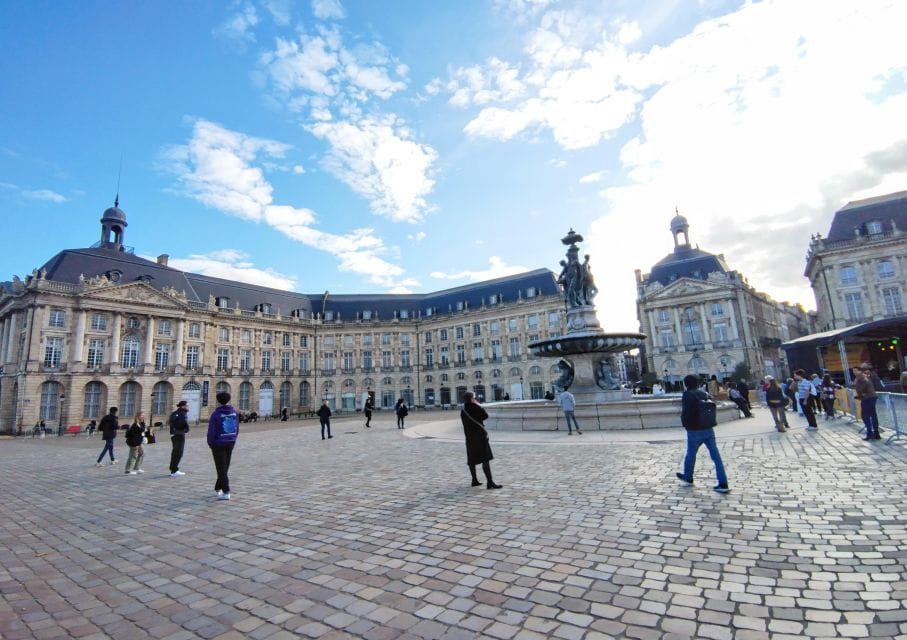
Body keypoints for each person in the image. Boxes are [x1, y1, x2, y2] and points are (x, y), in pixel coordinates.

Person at [676, 374, 729, 493]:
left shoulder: (688, 394)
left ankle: (688, 477)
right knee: (716, 457)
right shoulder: (704, 393)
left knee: (691, 454)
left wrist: (685, 425)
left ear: (686, 384)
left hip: (695, 429)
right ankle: (723, 482)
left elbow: (687, 412)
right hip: (708, 428)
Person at [460, 391, 502, 489]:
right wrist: (479, 405)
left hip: (470, 438)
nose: (476, 398)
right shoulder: (475, 407)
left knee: (471, 459)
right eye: (474, 397)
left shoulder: (463, 409)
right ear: (471, 399)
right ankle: (490, 482)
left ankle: (474, 480)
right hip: (480, 436)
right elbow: (485, 416)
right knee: (485, 459)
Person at [208, 391, 239, 500]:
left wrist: (211, 443)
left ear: (218, 401)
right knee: (224, 466)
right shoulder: (234, 412)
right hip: (230, 441)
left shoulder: (216, 414)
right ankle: (218, 487)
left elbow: (211, 431)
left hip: (218, 443)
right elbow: (236, 427)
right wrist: (234, 439)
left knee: (221, 467)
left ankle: (226, 491)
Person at [854, 365, 880, 440]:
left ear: (859, 370)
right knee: (873, 415)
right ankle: (876, 433)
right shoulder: (865, 376)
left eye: (855, 370)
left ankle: (870, 433)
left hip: (867, 398)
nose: (854, 372)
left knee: (865, 416)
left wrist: (860, 394)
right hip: (872, 396)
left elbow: (860, 387)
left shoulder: (860, 377)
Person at [168, 400, 190, 477]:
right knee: (178, 453)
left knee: (176, 452)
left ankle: (173, 469)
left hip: (176, 434)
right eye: (187, 406)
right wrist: (186, 429)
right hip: (178, 434)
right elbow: (181, 423)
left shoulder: (177, 413)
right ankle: (174, 470)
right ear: (182, 406)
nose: (188, 407)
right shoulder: (181, 414)